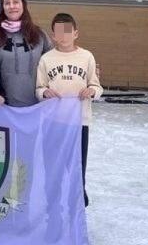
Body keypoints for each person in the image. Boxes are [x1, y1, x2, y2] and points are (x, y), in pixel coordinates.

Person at [35, 13, 103, 207]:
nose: (63, 36)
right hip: (54, 123)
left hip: (79, 123)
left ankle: (77, 214)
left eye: (67, 31)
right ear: (53, 35)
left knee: (77, 170)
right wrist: (45, 92)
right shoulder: (46, 59)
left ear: (75, 33)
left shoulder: (86, 56)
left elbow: (97, 86)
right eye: (58, 32)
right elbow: (39, 88)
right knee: (53, 171)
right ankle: (53, 216)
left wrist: (92, 91)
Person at [0, 0, 51, 107]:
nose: (12, 6)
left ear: (23, 5)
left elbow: (54, 63)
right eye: (7, 3)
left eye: (16, 2)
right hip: (3, 107)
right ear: (2, 7)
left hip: (36, 107)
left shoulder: (39, 35)